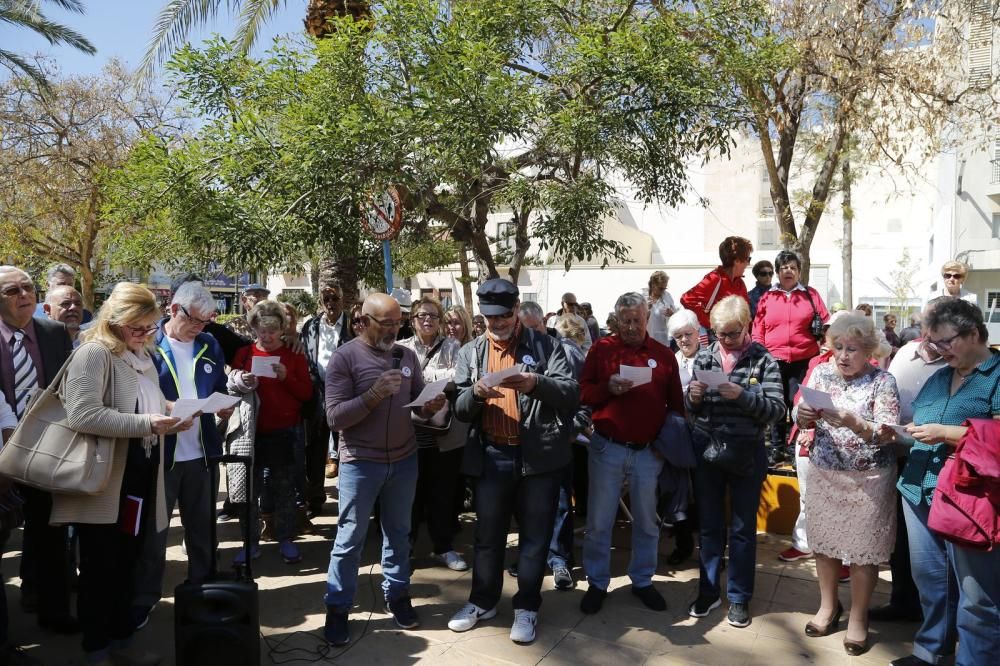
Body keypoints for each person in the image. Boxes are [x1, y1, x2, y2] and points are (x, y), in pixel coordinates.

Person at [52, 281, 194, 666]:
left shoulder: (141, 354)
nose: (147, 334)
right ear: (115, 320)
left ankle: (120, 643)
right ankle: (97, 650)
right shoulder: (93, 354)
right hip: (103, 479)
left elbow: (146, 402)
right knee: (100, 567)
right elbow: (82, 414)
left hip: (138, 475)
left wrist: (175, 412)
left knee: (128, 561)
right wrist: (149, 424)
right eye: (139, 327)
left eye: (151, 327)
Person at [446, 279, 578, 645]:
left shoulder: (545, 344)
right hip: (492, 455)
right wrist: (474, 393)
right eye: (491, 317)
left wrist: (535, 383)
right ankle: (482, 602)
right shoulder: (470, 352)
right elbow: (458, 409)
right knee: (487, 538)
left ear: (517, 308)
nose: (499, 322)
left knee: (534, 540)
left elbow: (570, 393)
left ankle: (527, 608)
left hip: (538, 458)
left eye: (505, 314)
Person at [322, 293, 446, 646]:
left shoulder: (406, 356)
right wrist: (373, 395)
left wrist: (429, 405)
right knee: (349, 540)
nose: (395, 330)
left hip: (404, 460)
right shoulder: (345, 358)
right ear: (363, 321)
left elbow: (417, 402)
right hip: (361, 463)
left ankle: (398, 595)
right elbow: (334, 417)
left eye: (398, 323)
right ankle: (338, 608)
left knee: (399, 533)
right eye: (387, 324)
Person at [891, 299, 1000, 666]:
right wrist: (892, 435)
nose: (937, 350)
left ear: (973, 333)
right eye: (932, 342)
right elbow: (922, 431)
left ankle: (975, 659)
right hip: (918, 489)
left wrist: (946, 433)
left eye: (945, 342)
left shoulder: (997, 375)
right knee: (932, 582)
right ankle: (931, 651)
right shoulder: (939, 376)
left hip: (969, 499)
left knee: (978, 596)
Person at [794, 314, 899, 656]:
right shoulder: (822, 373)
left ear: (868, 350)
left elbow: (888, 432)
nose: (842, 355)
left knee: (862, 553)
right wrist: (803, 415)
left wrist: (857, 424)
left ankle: (858, 616)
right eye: (837, 346)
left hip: (868, 480)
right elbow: (799, 410)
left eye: (851, 348)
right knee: (823, 546)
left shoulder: (883, 381)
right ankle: (828, 606)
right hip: (825, 472)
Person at [131, 282, 232, 629]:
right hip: (160, 456)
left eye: (207, 322)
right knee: (154, 535)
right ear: (174, 310)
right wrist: (168, 407)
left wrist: (223, 406)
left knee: (202, 530)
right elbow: (131, 395)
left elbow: (218, 385)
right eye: (195, 320)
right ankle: (144, 600)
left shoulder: (209, 344)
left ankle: (202, 591)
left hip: (202, 454)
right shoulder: (148, 346)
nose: (200, 328)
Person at [578, 292, 684, 615]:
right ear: (616, 320)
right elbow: (582, 392)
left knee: (647, 522)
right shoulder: (601, 349)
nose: (632, 326)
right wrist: (606, 388)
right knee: (599, 521)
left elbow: (676, 406)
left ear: (647, 318)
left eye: (637, 319)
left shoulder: (664, 355)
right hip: (607, 447)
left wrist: (666, 446)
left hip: (648, 452)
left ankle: (642, 580)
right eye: (626, 320)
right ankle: (597, 582)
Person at [685, 295, 784, 629]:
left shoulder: (764, 360)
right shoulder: (706, 355)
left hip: (746, 451)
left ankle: (739, 597)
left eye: (731, 333)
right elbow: (694, 408)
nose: (724, 341)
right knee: (710, 526)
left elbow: (776, 411)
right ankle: (709, 591)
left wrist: (742, 396)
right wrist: (693, 398)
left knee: (742, 530)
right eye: (718, 334)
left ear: (747, 326)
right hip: (708, 448)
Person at [0, 266, 76, 640]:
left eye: (27, 287)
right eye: (12, 290)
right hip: (1, 456)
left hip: (47, 451)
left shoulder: (54, 332)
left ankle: (54, 611)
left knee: (50, 535)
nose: (23, 295)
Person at [873, 300, 949, 625]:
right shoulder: (905, 352)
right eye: (930, 322)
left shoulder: (960, 363)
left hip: (940, 463)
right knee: (902, 541)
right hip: (902, 456)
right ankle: (902, 602)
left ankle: (939, 618)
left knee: (938, 547)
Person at [228, 301, 313, 565]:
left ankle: (286, 539)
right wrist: (242, 381)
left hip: (284, 431)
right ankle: (250, 542)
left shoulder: (293, 353)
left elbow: (306, 394)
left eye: (273, 330)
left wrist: (287, 376)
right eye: (261, 331)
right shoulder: (244, 353)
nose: (267, 336)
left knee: (284, 489)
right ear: (253, 328)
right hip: (250, 433)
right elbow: (230, 385)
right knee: (247, 491)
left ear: (282, 328)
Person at [398, 297, 468, 572]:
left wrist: (421, 378)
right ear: (413, 320)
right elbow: (403, 382)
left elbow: (459, 377)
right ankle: (405, 548)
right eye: (422, 315)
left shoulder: (454, 346)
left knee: (442, 493)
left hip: (444, 432)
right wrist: (438, 377)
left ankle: (444, 547)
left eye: (434, 316)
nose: (428, 320)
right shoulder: (401, 348)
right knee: (410, 496)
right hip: (412, 431)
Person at [752, 250, 830, 459]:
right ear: (777, 272)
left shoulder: (810, 295)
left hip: (804, 359)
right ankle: (777, 447)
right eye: (784, 267)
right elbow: (758, 329)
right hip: (773, 359)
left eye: (793, 267)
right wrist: (760, 354)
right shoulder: (767, 297)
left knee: (798, 403)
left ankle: (796, 444)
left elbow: (827, 323)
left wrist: (826, 345)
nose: (789, 271)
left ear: (799, 272)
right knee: (777, 403)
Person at [299, 281, 354, 515]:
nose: (330, 303)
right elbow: (303, 354)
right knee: (314, 446)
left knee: (347, 445)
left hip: (344, 393)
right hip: (316, 392)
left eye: (335, 298)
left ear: (343, 300)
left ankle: (349, 497)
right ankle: (315, 498)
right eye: (326, 299)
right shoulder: (310, 325)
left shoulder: (352, 324)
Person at [547, 313, 592, 591]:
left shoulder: (566, 352)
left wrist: (572, 429)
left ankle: (558, 559)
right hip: (563, 436)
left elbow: (580, 396)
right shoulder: (575, 352)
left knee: (560, 499)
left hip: (562, 436)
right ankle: (555, 557)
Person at [665, 308, 702, 564]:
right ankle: (683, 543)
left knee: (704, 492)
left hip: (703, 433)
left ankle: (711, 552)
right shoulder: (671, 360)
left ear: (697, 332)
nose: (684, 341)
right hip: (677, 435)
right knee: (676, 491)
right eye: (678, 336)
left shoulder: (710, 359)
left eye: (687, 334)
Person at [680, 236, 752, 341]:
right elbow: (687, 299)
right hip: (720, 340)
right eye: (747, 259)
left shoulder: (740, 283)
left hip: (738, 340)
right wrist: (712, 324)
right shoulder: (715, 278)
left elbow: (746, 314)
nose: (748, 264)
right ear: (737, 261)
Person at [646, 270, 677, 347]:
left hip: (664, 340)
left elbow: (677, 317)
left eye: (664, 288)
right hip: (647, 339)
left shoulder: (667, 296)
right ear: (653, 285)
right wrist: (645, 310)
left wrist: (671, 314)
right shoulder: (643, 297)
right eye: (660, 288)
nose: (663, 291)